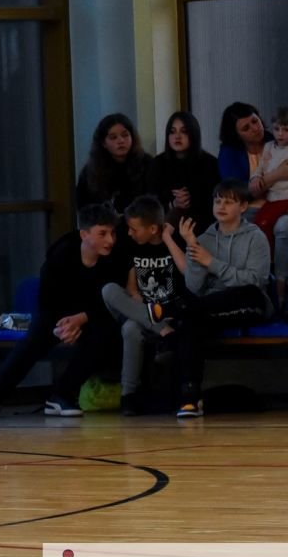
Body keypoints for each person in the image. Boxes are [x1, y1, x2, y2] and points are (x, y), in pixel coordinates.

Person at [0, 204, 127, 419]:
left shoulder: (116, 258)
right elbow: (47, 301)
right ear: (84, 234)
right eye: (102, 234)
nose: (110, 240)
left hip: (91, 316)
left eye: (112, 233)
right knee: (31, 344)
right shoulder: (60, 255)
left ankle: (62, 395)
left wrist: (81, 319)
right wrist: (63, 326)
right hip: (56, 315)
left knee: (104, 336)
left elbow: (113, 300)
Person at [175, 180, 274, 418]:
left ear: (243, 207)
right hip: (210, 306)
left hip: (249, 302)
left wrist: (212, 263)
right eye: (217, 201)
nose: (221, 206)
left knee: (193, 310)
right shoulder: (204, 238)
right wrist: (191, 245)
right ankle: (190, 398)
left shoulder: (256, 237)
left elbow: (255, 281)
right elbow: (194, 286)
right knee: (192, 319)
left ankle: (178, 312)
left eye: (228, 202)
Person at [101, 196, 188, 416]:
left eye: (134, 229)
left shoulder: (174, 242)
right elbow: (132, 290)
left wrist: (168, 238)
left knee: (130, 328)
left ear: (153, 229)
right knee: (109, 290)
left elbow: (189, 273)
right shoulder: (131, 246)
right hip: (142, 311)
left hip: (167, 312)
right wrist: (138, 300)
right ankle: (164, 332)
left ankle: (128, 395)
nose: (129, 233)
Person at [144, 111, 220, 236]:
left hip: (204, 230)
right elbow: (150, 202)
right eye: (172, 132)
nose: (177, 137)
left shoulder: (210, 164)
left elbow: (216, 201)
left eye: (184, 131)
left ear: (194, 134)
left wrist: (192, 199)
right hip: (165, 229)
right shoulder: (158, 164)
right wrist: (173, 204)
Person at [75, 113, 152, 215]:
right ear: (103, 143)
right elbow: (83, 207)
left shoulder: (148, 164)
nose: (121, 141)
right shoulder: (91, 171)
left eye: (125, 135)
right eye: (113, 137)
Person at [250, 107, 288, 308]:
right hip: (271, 199)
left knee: (266, 224)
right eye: (277, 129)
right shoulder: (268, 148)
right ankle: (264, 278)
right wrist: (257, 178)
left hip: (285, 199)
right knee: (256, 225)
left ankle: (279, 285)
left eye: (286, 130)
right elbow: (260, 171)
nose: (280, 134)